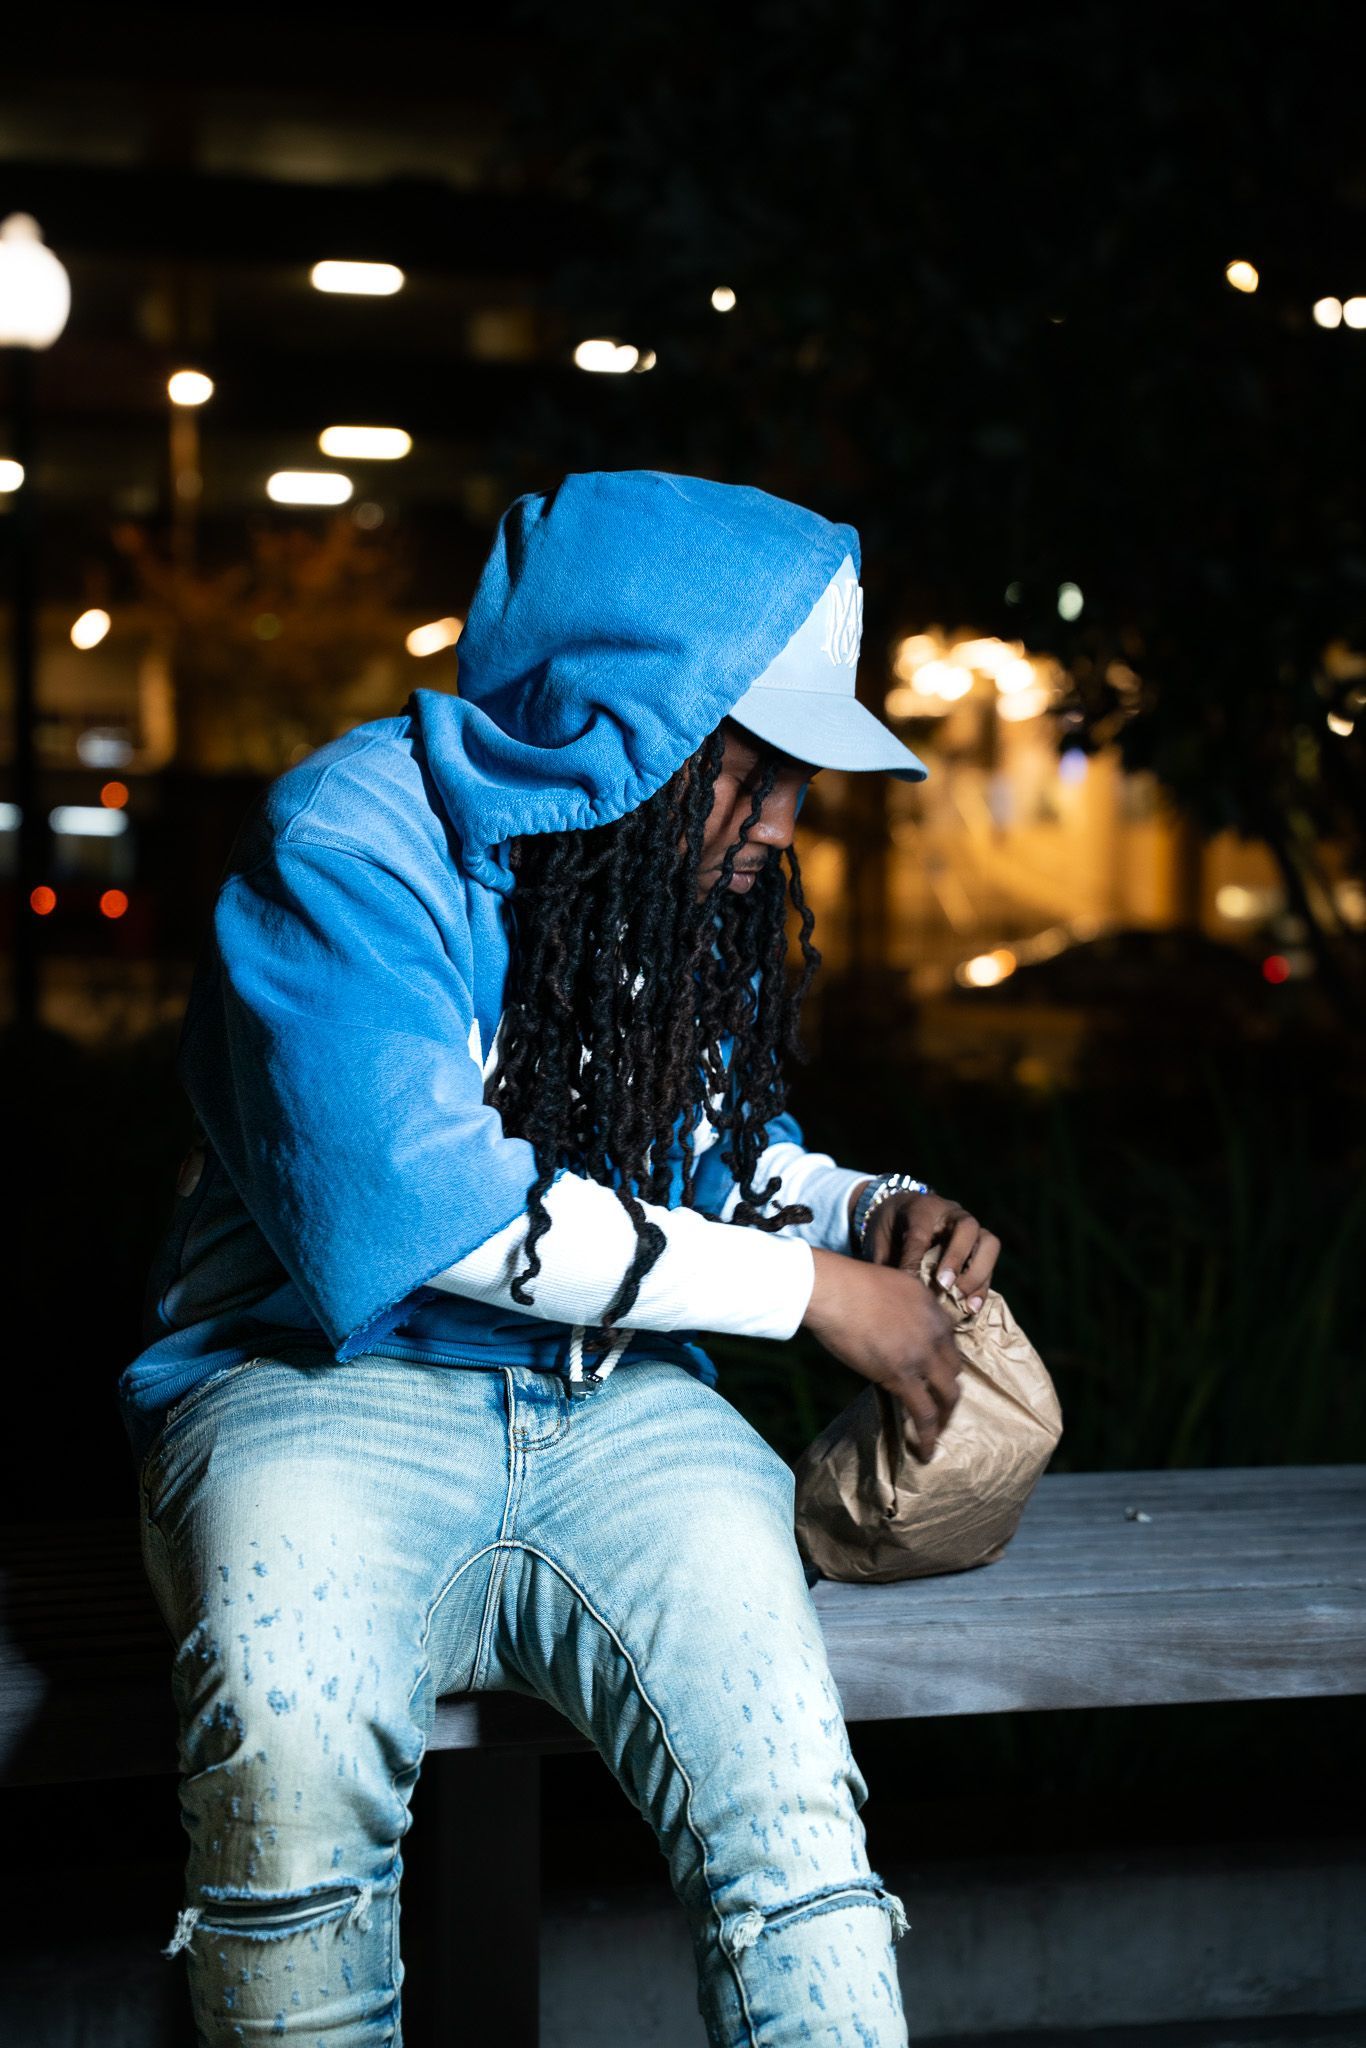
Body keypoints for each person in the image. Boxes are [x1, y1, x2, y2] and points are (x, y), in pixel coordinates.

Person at [124, 469, 1001, 2047]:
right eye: (754, 772)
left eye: (801, 783)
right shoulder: (349, 839)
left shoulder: (657, 876)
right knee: (287, 1785)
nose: (783, 824)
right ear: (620, 720)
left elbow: (709, 1151)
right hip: (313, 1393)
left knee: (793, 1828)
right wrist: (814, 1294)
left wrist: (861, 1210)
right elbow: (430, 1210)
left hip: (613, 1408)